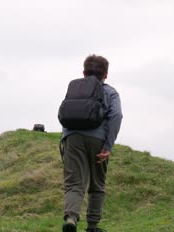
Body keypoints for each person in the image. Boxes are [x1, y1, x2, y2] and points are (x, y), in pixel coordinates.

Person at [61, 55, 123, 232]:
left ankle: (71, 219)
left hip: (72, 138)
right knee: (97, 184)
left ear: (83, 72)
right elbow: (116, 116)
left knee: (74, 183)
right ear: (106, 74)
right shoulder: (110, 92)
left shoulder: (74, 88)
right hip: (98, 140)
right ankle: (92, 226)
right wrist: (108, 146)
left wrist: (67, 137)